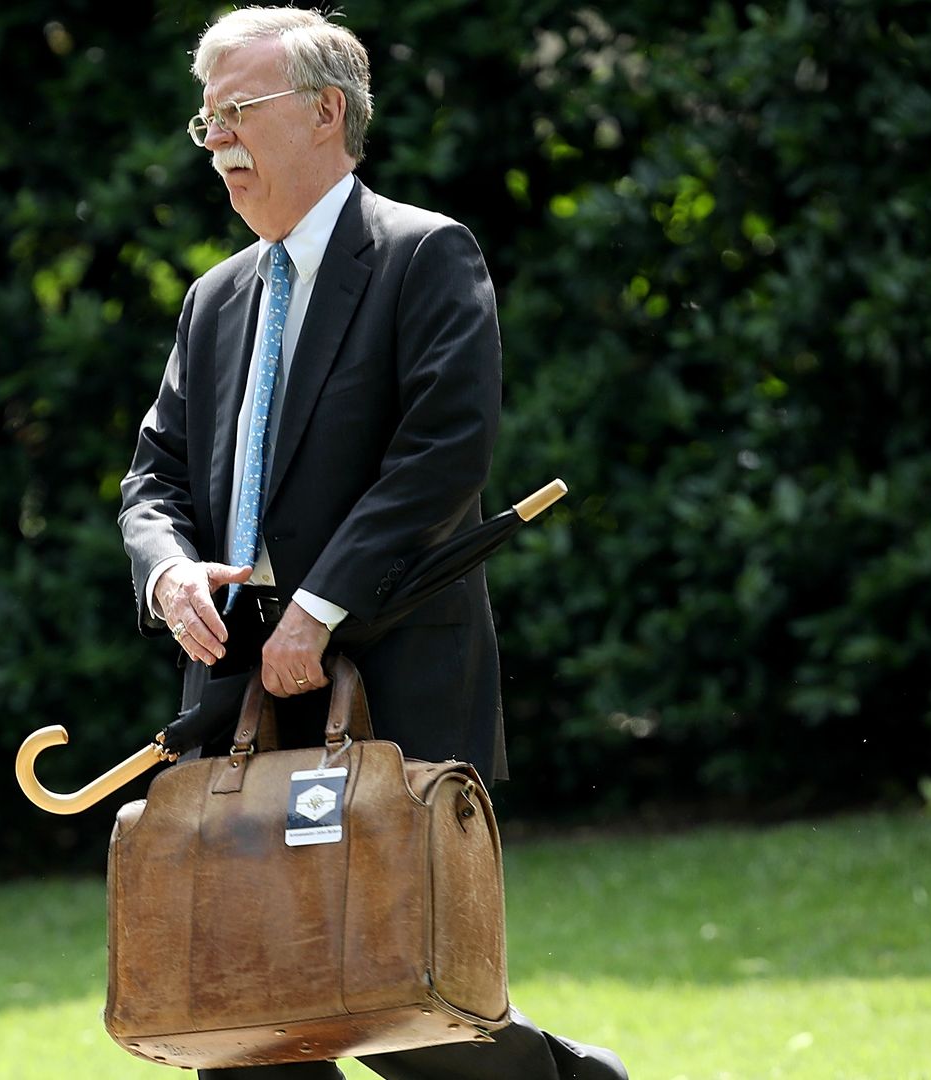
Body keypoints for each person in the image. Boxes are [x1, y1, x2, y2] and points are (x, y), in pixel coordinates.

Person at [117, 8, 627, 1079]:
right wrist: (168, 573)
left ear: (326, 111)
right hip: (239, 705)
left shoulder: (424, 253)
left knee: (413, 1028)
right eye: (204, 120)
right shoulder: (214, 299)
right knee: (250, 1026)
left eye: (238, 111)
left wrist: (321, 605)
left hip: (394, 691)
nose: (216, 141)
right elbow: (153, 477)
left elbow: (445, 450)